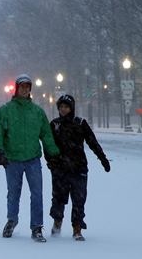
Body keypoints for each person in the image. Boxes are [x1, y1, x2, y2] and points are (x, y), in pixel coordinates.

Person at [0, 74, 60, 242]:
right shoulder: (5, 110)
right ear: (17, 89)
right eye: (22, 86)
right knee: (13, 193)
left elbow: (46, 135)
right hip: (12, 159)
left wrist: (53, 153)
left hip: (32, 159)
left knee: (37, 194)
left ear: (30, 89)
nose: (24, 89)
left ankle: (36, 227)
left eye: (27, 87)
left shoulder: (37, 112)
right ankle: (11, 220)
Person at [47, 94, 110, 241]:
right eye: (61, 107)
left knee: (79, 200)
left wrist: (103, 159)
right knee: (58, 199)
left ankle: (77, 227)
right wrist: (51, 162)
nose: (63, 110)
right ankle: (57, 223)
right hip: (60, 169)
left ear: (72, 108)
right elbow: (48, 145)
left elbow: (92, 142)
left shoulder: (80, 123)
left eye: (66, 107)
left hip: (78, 169)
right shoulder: (54, 124)